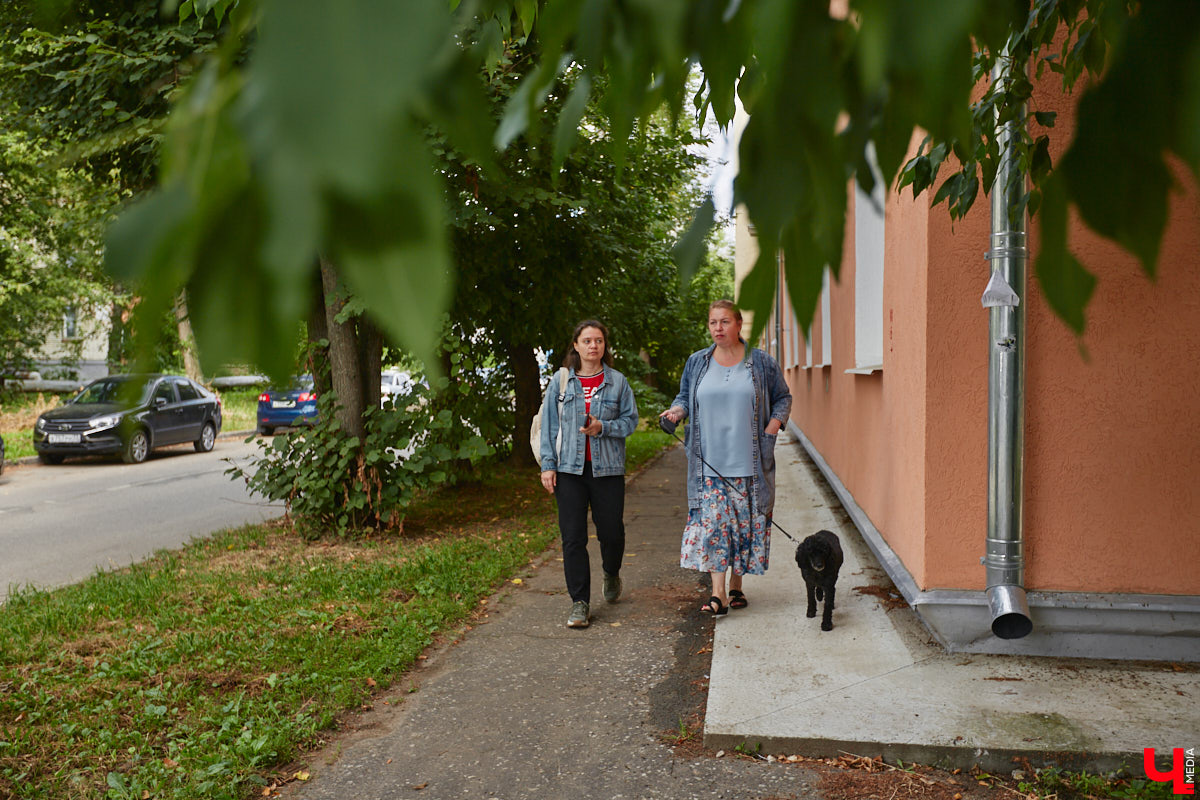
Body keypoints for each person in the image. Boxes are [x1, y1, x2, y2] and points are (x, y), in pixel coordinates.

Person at [660, 299, 792, 616]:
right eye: (712, 323)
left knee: (743, 529)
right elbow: (684, 398)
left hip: (750, 462)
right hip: (708, 464)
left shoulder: (760, 363)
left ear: (738, 324)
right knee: (715, 528)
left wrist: (773, 428)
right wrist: (675, 413)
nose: (718, 328)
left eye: (724, 322)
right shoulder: (697, 362)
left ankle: (737, 586)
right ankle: (718, 594)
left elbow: (783, 397)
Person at [538, 320, 639, 628]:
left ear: (604, 346)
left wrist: (603, 427)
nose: (593, 345)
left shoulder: (618, 382)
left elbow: (630, 422)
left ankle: (611, 572)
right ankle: (579, 602)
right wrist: (547, 465)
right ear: (576, 346)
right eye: (587, 340)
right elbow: (549, 425)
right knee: (572, 538)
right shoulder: (561, 381)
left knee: (611, 533)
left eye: (598, 340)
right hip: (569, 470)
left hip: (607, 471)